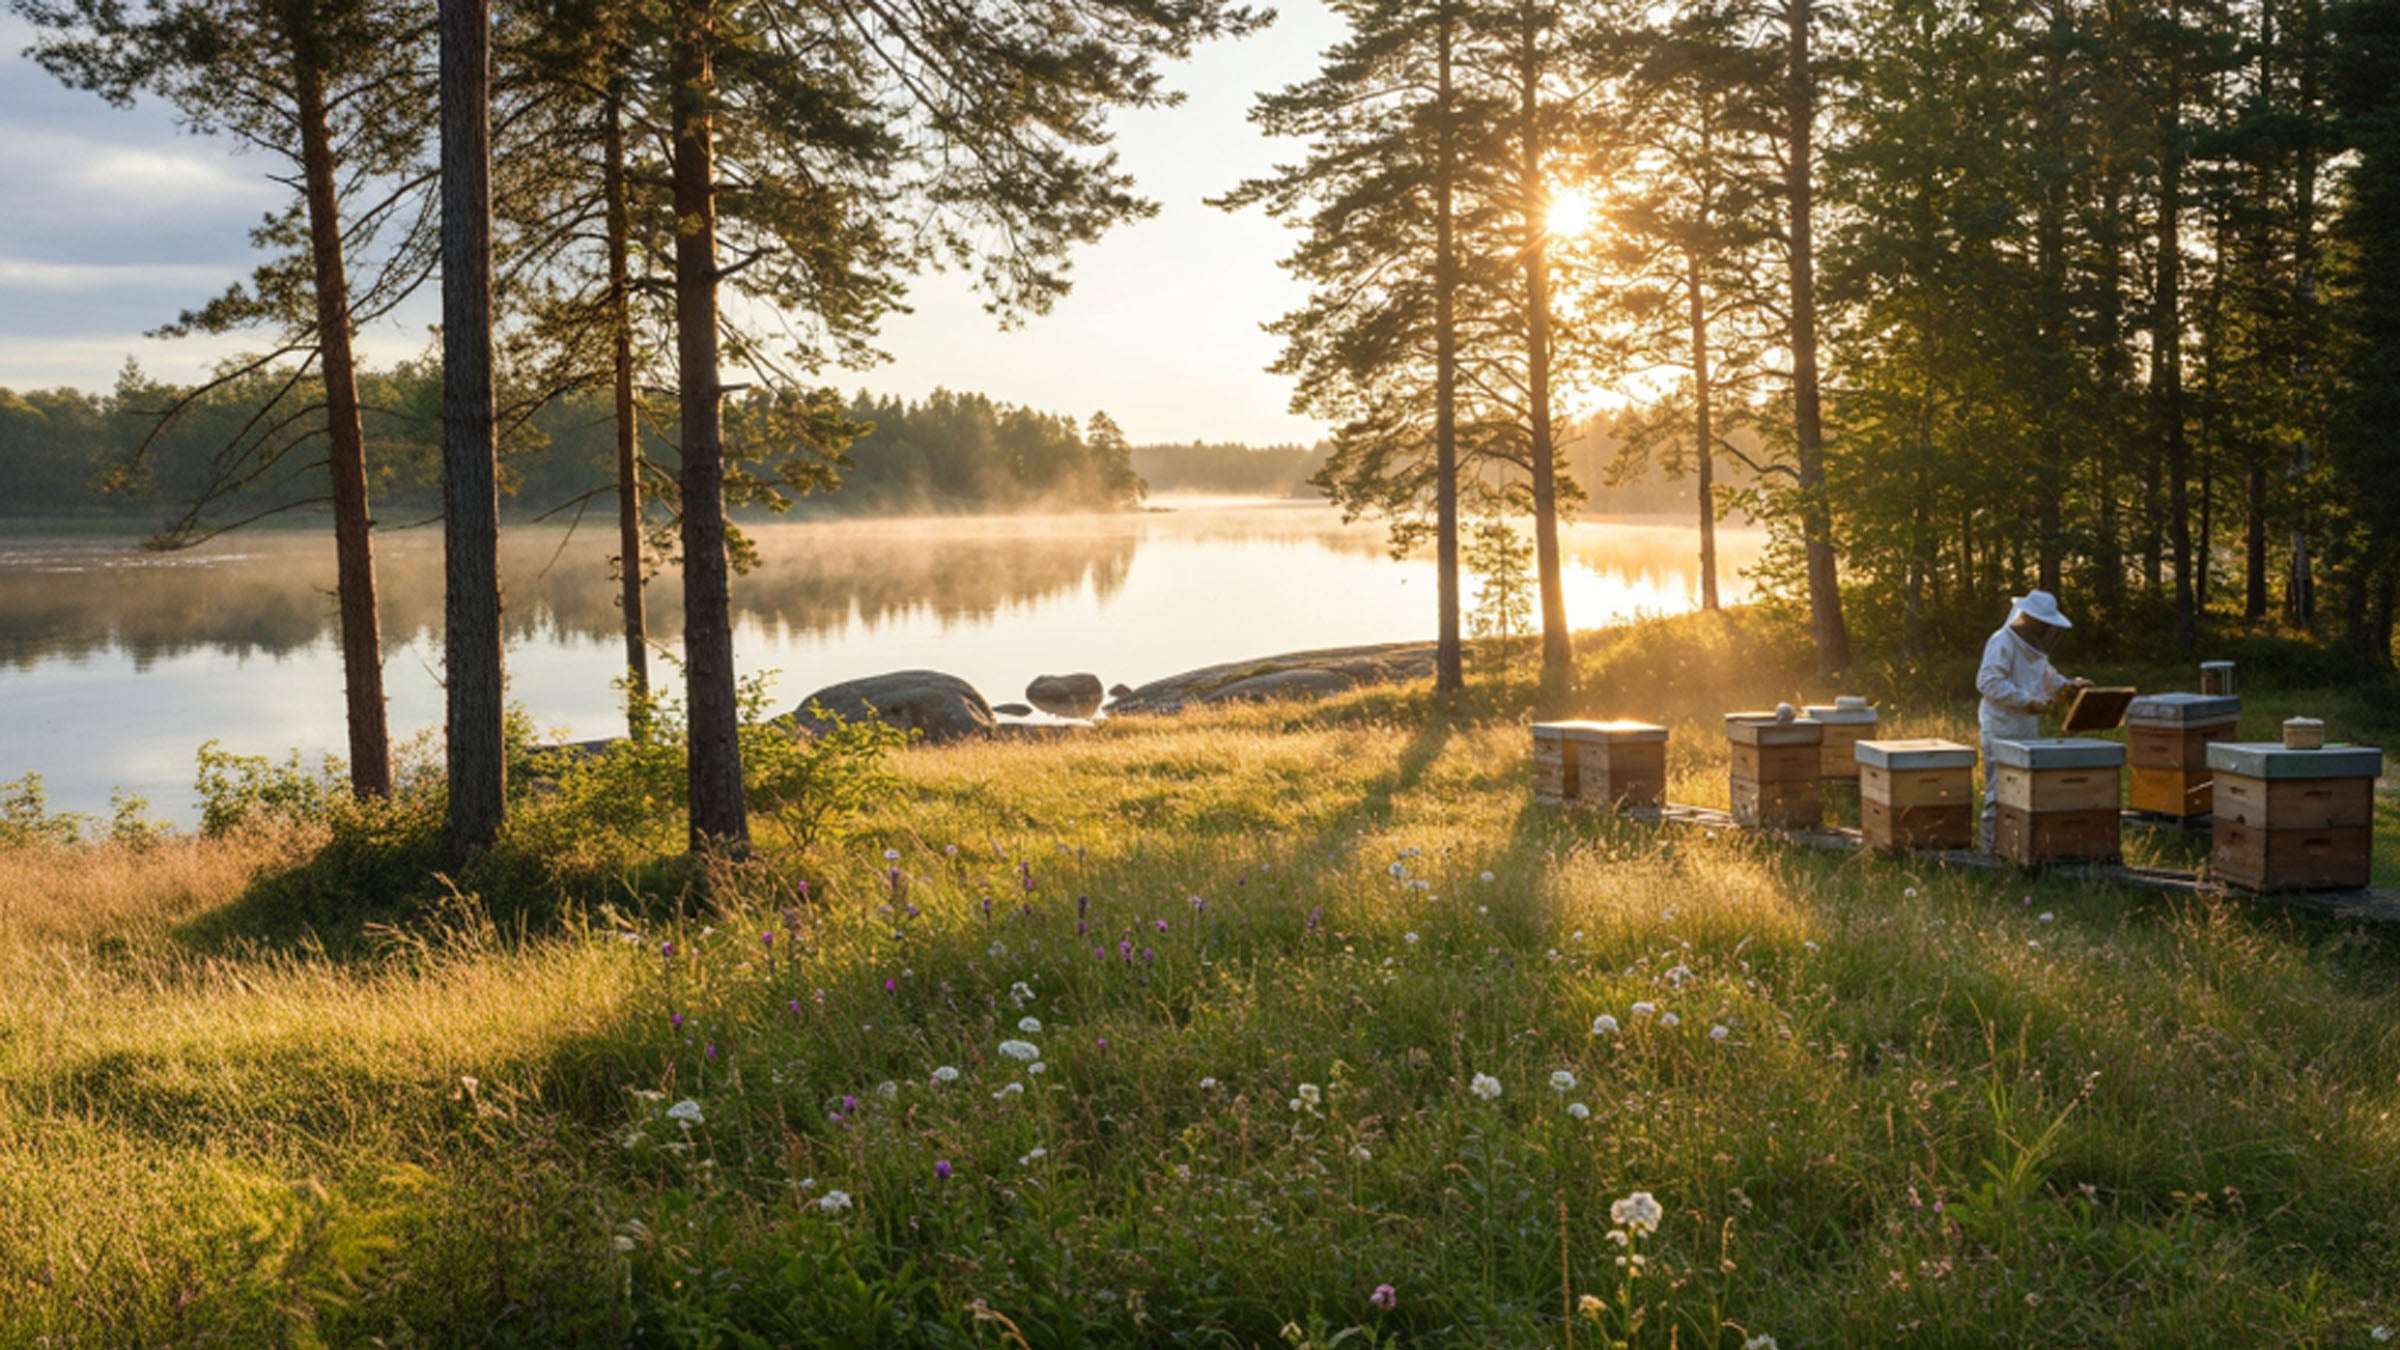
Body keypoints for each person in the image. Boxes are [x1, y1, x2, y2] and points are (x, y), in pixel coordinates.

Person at [1976, 590, 2089, 849]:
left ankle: (2016, 847)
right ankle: (1989, 849)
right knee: (1998, 790)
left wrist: (2071, 685)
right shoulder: (2002, 641)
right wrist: (2026, 701)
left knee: (2023, 791)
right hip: (2001, 726)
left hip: (2026, 726)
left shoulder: (2033, 649)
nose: (2047, 629)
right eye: (2043, 624)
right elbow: (1988, 683)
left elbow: (2046, 675)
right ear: (2027, 618)